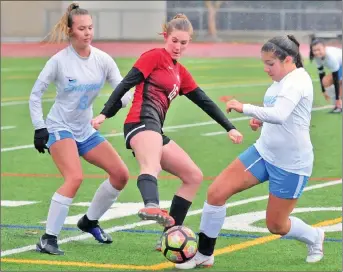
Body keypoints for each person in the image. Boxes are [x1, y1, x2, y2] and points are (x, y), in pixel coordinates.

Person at [91, 13, 243, 250]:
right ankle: (151, 205)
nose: (178, 47)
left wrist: (230, 127)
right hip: (140, 122)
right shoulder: (153, 56)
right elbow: (126, 84)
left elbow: (204, 101)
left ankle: (170, 236)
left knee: (193, 176)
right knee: (152, 166)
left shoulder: (180, 72)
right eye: (174, 41)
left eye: (184, 43)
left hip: (154, 129)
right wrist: (105, 113)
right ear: (166, 36)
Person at [176, 35, 325, 269]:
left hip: (291, 164)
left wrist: (243, 107)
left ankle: (315, 237)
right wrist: (261, 120)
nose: (266, 69)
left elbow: (280, 114)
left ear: (288, 59)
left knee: (276, 225)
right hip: (263, 152)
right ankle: (204, 254)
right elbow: (278, 115)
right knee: (216, 193)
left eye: (270, 64)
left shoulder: (298, 81)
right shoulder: (281, 78)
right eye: (264, 63)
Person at [29, 3, 132, 255]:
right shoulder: (59, 61)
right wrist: (39, 128)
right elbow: (35, 94)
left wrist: (111, 109)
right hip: (59, 126)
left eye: (90, 28)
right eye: (82, 28)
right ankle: (48, 238)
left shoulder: (103, 59)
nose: (88, 33)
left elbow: (124, 91)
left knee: (121, 175)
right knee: (74, 178)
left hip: (85, 129)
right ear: (70, 31)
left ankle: (89, 221)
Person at [309, 35, 342, 113]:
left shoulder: (331, 57)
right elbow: (321, 74)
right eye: (314, 50)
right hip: (340, 66)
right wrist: (323, 91)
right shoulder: (317, 57)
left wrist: (337, 98)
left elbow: (335, 78)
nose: (317, 52)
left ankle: (339, 104)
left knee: (339, 82)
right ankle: (338, 105)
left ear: (324, 48)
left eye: (319, 49)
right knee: (325, 82)